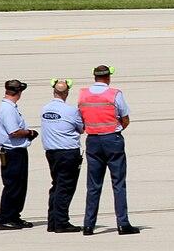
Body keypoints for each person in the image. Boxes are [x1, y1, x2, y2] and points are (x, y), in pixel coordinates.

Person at [77, 65, 139, 235]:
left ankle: (88, 225)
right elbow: (125, 118)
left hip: (93, 140)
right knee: (118, 183)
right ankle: (122, 223)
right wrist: (116, 129)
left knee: (93, 185)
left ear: (94, 77)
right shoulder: (114, 94)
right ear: (108, 77)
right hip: (112, 139)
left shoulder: (83, 94)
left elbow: (80, 118)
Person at [40, 79, 85, 233]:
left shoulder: (45, 109)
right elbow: (81, 128)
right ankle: (61, 222)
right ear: (66, 93)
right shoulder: (71, 111)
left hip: (51, 153)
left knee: (56, 185)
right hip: (67, 153)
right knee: (65, 188)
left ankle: (52, 221)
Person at [0, 79, 38, 230]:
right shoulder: (7, 109)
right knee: (12, 186)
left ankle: (14, 216)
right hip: (12, 152)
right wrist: (29, 133)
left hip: (17, 151)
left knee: (19, 186)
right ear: (18, 92)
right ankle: (4, 218)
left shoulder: (11, 107)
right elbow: (14, 131)